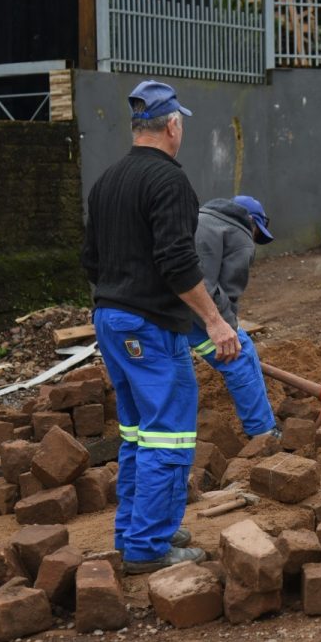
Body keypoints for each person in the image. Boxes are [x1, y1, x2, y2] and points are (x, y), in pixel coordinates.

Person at [81, 80, 240, 574]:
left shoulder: (107, 180)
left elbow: (91, 260)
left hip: (110, 319)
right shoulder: (169, 182)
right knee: (168, 434)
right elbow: (177, 261)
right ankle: (149, 548)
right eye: (182, 123)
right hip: (148, 326)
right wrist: (214, 321)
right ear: (173, 125)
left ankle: (139, 530)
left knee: (137, 434)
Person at [191, 195, 280, 439]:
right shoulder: (239, 235)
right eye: (256, 233)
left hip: (161, 307)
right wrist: (229, 328)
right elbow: (226, 292)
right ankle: (263, 432)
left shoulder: (198, 218)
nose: (253, 239)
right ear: (251, 222)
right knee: (239, 355)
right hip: (192, 309)